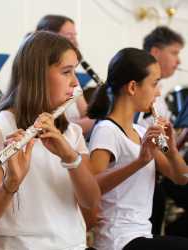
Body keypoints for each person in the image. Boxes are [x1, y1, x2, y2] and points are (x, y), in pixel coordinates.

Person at [0, 31, 100, 250]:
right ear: (37, 75)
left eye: (74, 71)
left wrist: (70, 157)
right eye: (66, 72)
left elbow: (92, 203)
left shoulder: (71, 132)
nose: (76, 82)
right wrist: (11, 184)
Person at [87, 47, 188, 250]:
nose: (158, 92)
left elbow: (181, 178)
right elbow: (91, 188)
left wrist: (171, 150)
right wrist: (139, 162)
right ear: (133, 87)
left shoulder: (141, 131)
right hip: (117, 240)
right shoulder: (106, 130)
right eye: (154, 84)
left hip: (140, 234)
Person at [137, 26, 186, 235]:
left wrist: (177, 140)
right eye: (174, 52)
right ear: (155, 52)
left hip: (161, 170)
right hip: (151, 176)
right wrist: (173, 162)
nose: (179, 61)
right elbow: (151, 145)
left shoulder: (157, 98)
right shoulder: (139, 97)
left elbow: (166, 143)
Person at [36, 14, 95, 135]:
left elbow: (85, 113)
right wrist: (103, 120)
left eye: (75, 36)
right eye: (69, 36)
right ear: (49, 37)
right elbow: (58, 128)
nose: (76, 42)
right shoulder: (47, 81)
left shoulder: (71, 79)